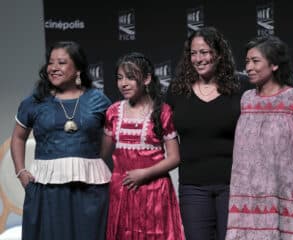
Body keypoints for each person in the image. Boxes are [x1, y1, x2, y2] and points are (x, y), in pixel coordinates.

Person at [11, 41, 112, 240]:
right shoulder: (34, 101)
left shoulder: (98, 100)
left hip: (90, 189)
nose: (54, 68)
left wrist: (90, 160)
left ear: (78, 69)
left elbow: (109, 137)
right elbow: (18, 137)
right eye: (51, 63)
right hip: (47, 189)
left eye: (62, 62)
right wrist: (21, 172)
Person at [166, 26, 251, 240]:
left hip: (233, 184)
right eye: (193, 53)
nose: (198, 59)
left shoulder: (240, 87)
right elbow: (162, 131)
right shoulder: (177, 90)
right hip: (193, 186)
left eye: (204, 52)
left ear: (219, 54)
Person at [225, 36, 293, 240]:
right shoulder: (246, 99)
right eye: (247, 62)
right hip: (245, 194)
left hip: (282, 190)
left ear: (274, 64)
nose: (249, 67)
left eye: (255, 61)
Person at [102, 52, 184, 239]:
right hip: (122, 192)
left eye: (130, 77)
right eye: (119, 78)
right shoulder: (113, 111)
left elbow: (174, 157)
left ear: (146, 78)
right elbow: (101, 154)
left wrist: (144, 174)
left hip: (154, 192)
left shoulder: (162, 111)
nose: (123, 83)